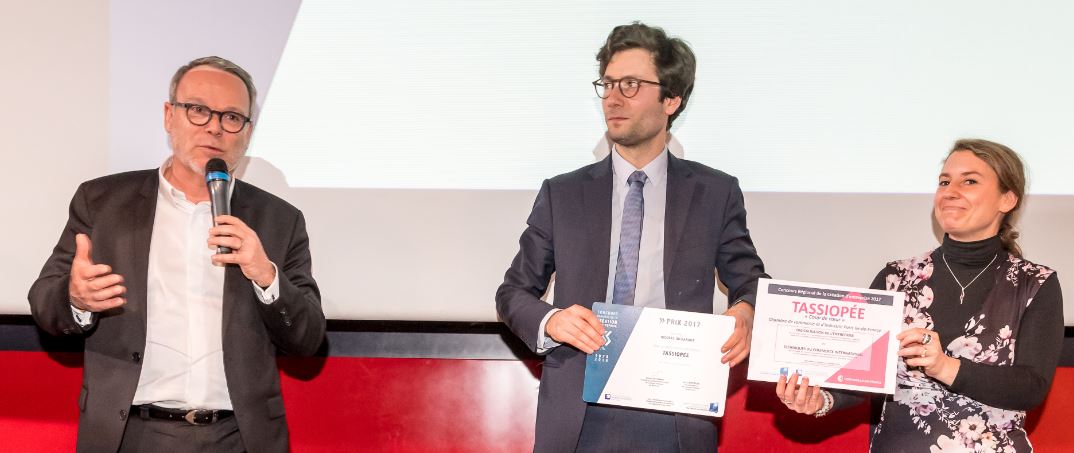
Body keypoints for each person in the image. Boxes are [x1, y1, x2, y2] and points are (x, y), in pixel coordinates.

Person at [28, 56, 325, 453]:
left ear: (247, 133)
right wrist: (75, 298)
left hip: (239, 437)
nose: (215, 127)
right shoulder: (102, 203)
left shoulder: (279, 221)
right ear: (170, 116)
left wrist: (266, 276)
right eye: (198, 110)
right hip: (129, 433)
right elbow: (45, 303)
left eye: (232, 117)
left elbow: (308, 338)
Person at [496, 22, 769, 453]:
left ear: (671, 98)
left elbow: (750, 279)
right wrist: (553, 320)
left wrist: (747, 311)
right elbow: (513, 294)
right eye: (607, 84)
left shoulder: (715, 193)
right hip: (579, 409)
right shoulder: (563, 193)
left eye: (631, 84)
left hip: (676, 409)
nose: (612, 97)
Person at [776, 139, 1064, 452]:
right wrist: (822, 398)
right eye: (944, 181)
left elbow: (1031, 387)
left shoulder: (1035, 284)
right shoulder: (895, 278)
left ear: (1007, 199)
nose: (950, 191)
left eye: (969, 181)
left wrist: (944, 366)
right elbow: (862, 376)